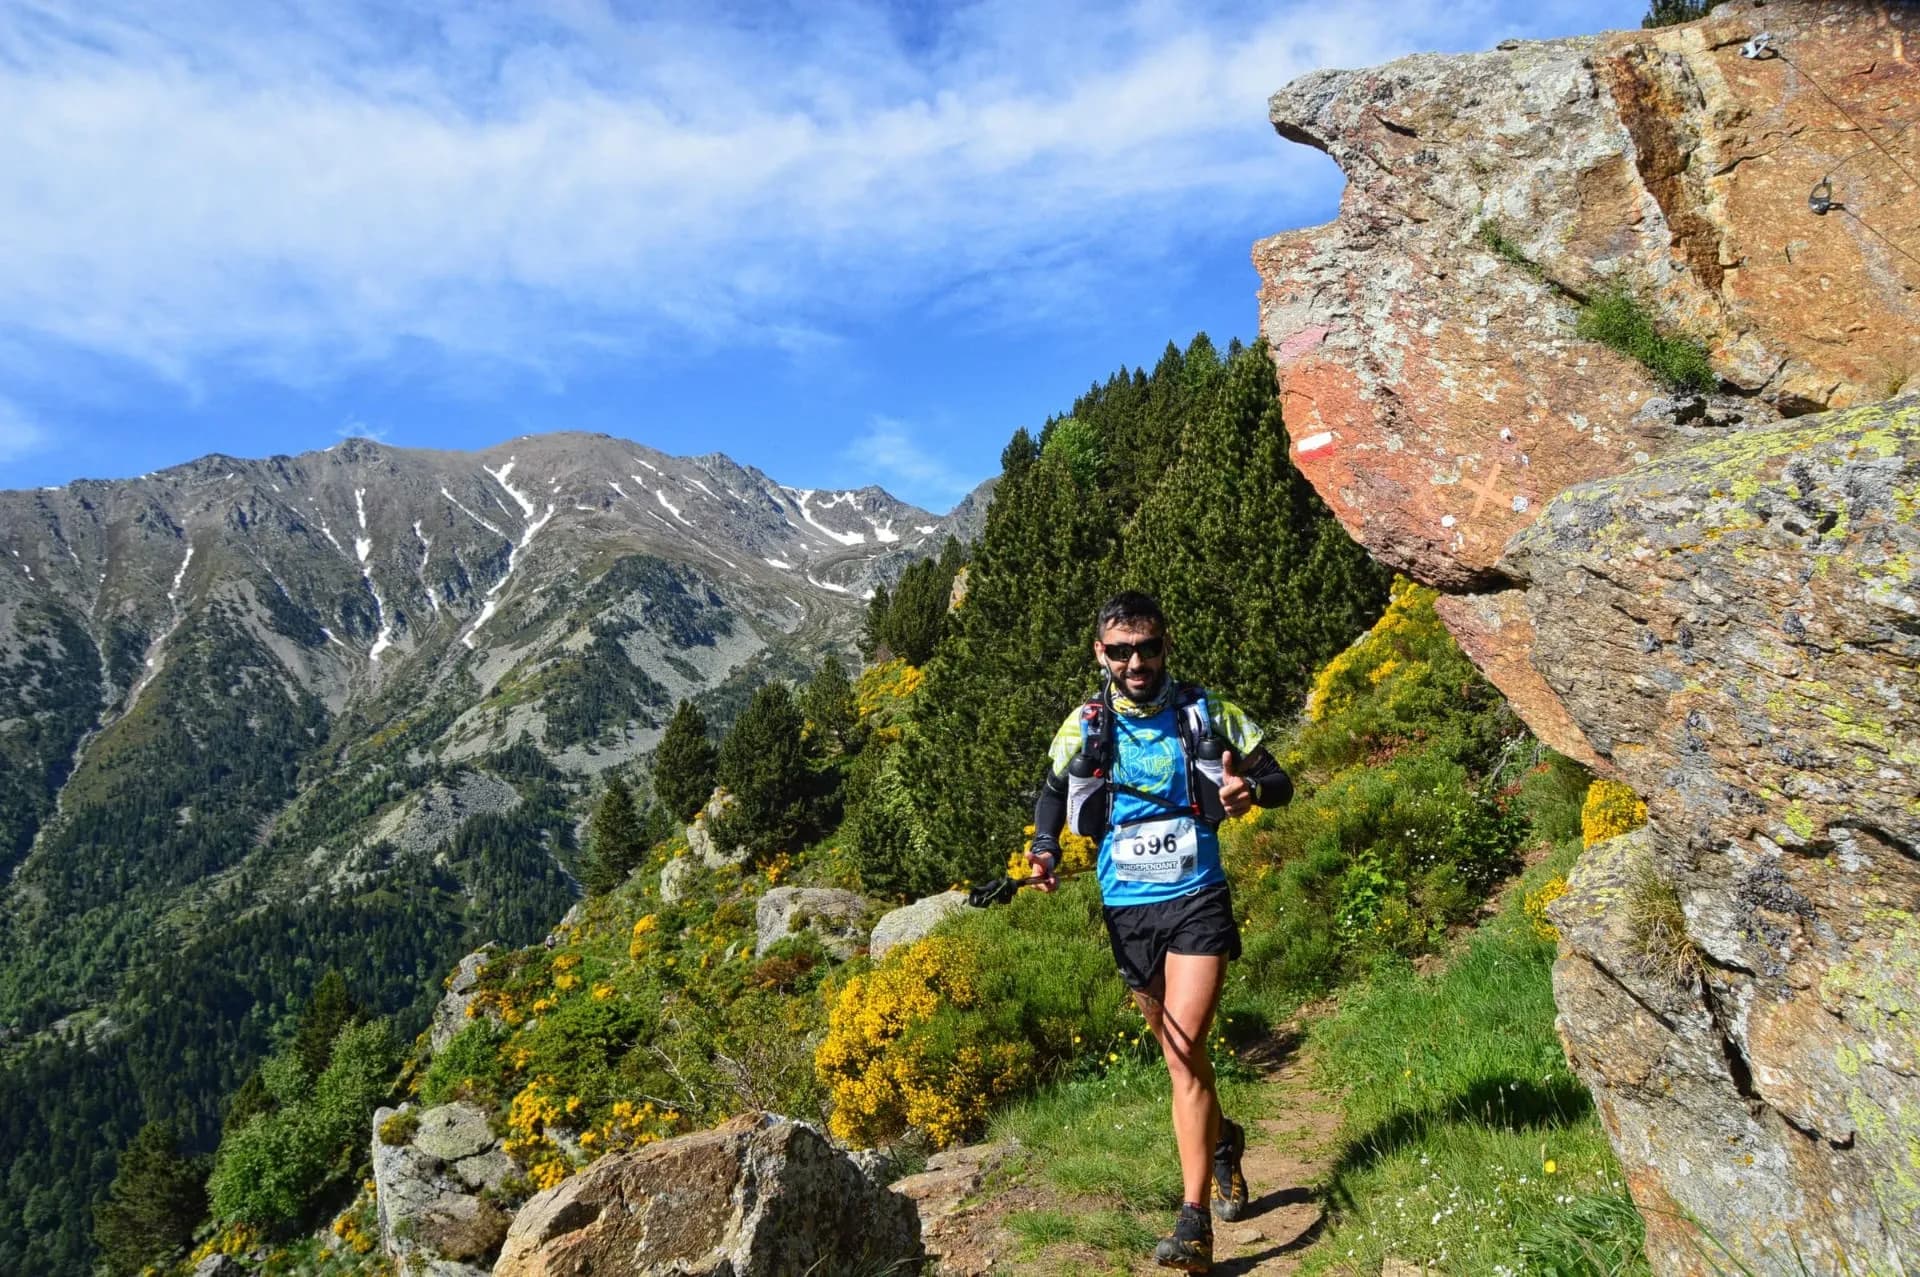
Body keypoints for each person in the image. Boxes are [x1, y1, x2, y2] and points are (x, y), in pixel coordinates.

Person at [1026, 591, 1292, 1273]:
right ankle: (1224, 1137)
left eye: (1148, 646)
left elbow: (1278, 777)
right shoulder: (1086, 722)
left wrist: (1249, 793)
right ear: (1101, 653)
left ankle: (1194, 1220)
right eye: (1121, 650)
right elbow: (1054, 788)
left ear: (1165, 644)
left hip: (1197, 896)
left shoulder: (1207, 712)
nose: (1136, 661)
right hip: (1127, 909)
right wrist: (1046, 849)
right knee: (1185, 1057)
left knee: (1183, 1050)